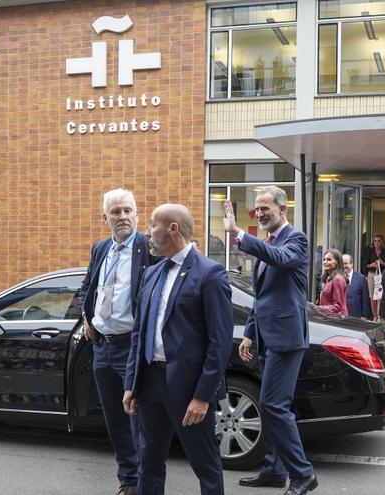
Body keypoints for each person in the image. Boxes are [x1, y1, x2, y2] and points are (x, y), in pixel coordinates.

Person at [122, 204, 233, 495]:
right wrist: (131, 384)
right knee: (148, 461)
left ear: (172, 229)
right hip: (150, 383)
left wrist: (202, 396)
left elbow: (219, 342)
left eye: (152, 224)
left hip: (188, 388)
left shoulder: (210, 273)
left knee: (204, 463)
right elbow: (139, 333)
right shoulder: (152, 273)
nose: (147, 231)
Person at [223, 186, 318, 495]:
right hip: (266, 337)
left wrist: (239, 234)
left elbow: (279, 258)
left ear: (283, 209)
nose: (260, 213)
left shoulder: (296, 240)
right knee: (274, 405)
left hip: (287, 339)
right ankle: (274, 471)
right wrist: (250, 333)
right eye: (257, 209)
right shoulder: (268, 243)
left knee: (274, 405)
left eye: (266, 208)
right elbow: (261, 297)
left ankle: (303, 474)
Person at [77, 188, 159, 495]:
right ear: (105, 218)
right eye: (116, 212)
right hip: (102, 347)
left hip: (132, 348)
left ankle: (146, 482)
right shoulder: (100, 249)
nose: (122, 217)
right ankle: (129, 482)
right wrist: (86, 317)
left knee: (139, 419)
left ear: (137, 214)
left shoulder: (148, 246)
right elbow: (87, 287)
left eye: (128, 211)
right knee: (115, 420)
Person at [362, 234, 385, 320]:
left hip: (382, 275)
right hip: (371, 275)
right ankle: (374, 315)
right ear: (373, 242)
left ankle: (380, 315)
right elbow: (364, 264)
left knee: (380, 295)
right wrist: (372, 265)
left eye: (379, 241)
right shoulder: (369, 251)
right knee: (372, 296)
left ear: (382, 242)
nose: (377, 242)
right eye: (375, 241)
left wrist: (382, 263)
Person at [316, 249, 348, 316]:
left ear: (337, 262)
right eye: (324, 259)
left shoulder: (338, 279)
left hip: (336, 321)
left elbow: (337, 307)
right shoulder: (328, 279)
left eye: (329, 259)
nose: (325, 262)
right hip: (327, 318)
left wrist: (316, 308)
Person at [343, 254, 372, 320]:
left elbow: (365, 299)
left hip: (356, 317)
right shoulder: (338, 277)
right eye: (342, 264)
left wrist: (364, 316)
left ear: (351, 264)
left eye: (345, 263)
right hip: (341, 316)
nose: (344, 266)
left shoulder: (361, 278)